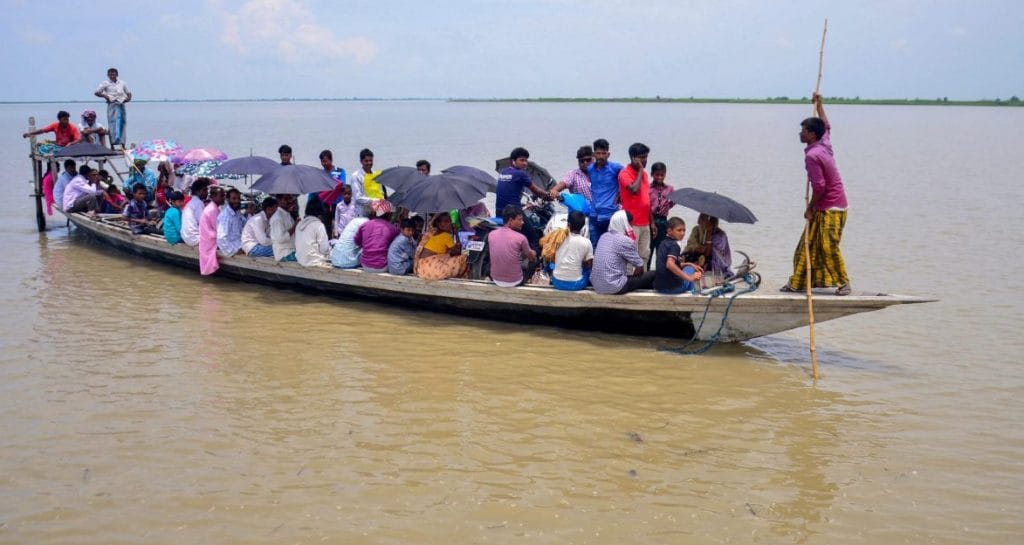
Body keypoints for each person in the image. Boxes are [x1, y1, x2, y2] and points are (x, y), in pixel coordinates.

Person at [782, 93, 851, 295]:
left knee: (828, 247)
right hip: (827, 205)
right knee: (806, 246)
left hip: (831, 208)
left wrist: (809, 208)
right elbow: (826, 125)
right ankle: (799, 283)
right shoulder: (824, 143)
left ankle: (843, 283)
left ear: (812, 134)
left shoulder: (813, 155)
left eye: (803, 131)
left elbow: (819, 187)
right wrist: (819, 104)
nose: (800, 134)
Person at [591, 210, 655, 295]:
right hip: (614, 286)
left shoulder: (603, 236)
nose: (632, 227)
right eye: (631, 224)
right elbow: (639, 266)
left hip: (597, 285)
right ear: (625, 224)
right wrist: (635, 279)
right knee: (653, 274)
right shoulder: (625, 240)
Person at [618, 142, 654, 265]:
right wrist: (640, 171)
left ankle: (641, 280)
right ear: (633, 158)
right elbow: (634, 189)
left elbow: (646, 199)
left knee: (644, 254)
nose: (645, 160)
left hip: (645, 222)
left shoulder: (644, 174)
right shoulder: (624, 174)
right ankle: (629, 280)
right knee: (630, 254)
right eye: (642, 157)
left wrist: (652, 222)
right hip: (632, 223)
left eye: (646, 157)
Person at [587, 138, 624, 247]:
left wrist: (620, 193)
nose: (601, 156)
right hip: (594, 215)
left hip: (610, 215)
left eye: (604, 153)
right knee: (595, 247)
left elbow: (628, 177)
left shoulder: (615, 168)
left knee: (611, 248)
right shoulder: (590, 169)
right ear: (594, 154)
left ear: (608, 154)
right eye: (598, 153)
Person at [488, 205, 536, 287]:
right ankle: (527, 280)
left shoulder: (491, 234)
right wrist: (533, 252)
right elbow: (531, 257)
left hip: (495, 279)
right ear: (510, 220)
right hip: (514, 282)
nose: (523, 222)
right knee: (535, 259)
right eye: (520, 220)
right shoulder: (521, 238)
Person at [654, 217, 703, 294]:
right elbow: (670, 264)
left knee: (689, 267)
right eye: (679, 230)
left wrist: (690, 264)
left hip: (659, 287)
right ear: (669, 231)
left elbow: (671, 263)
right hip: (673, 289)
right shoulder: (674, 245)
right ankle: (694, 293)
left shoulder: (663, 243)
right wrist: (690, 278)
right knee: (691, 271)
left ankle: (692, 291)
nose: (682, 233)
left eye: (684, 230)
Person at [495, 147, 551, 213]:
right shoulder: (520, 174)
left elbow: (509, 193)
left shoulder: (503, 171)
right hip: (513, 214)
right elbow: (537, 191)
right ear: (513, 161)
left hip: (499, 211)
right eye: (522, 160)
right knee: (533, 221)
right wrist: (549, 195)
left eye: (526, 160)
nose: (525, 163)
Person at [550, 211, 594, 291]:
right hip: (576, 284)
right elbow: (589, 266)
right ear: (583, 226)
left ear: (568, 224)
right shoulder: (587, 242)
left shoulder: (558, 238)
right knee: (587, 271)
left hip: (556, 282)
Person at [416, 213, 468, 280]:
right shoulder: (446, 236)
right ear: (438, 223)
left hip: (421, 269)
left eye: (449, 221)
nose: (449, 224)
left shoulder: (429, 233)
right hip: (433, 270)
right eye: (446, 221)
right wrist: (456, 233)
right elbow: (458, 252)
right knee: (464, 257)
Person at [354, 200, 399, 273]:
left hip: (365, 265)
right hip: (382, 266)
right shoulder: (393, 229)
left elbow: (357, 241)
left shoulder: (365, 225)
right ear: (389, 215)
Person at [683, 214, 733, 280]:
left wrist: (709, 235)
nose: (703, 223)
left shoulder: (720, 235)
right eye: (702, 220)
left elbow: (711, 253)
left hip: (714, 262)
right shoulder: (696, 229)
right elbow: (691, 246)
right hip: (695, 257)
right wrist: (701, 248)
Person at [94, 68, 131, 147]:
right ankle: (112, 145)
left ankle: (123, 144)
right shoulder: (105, 83)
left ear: (117, 75)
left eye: (113, 74)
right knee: (112, 124)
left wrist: (127, 99)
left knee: (122, 123)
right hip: (112, 104)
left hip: (121, 104)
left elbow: (129, 93)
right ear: (108, 75)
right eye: (110, 74)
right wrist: (105, 96)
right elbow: (97, 92)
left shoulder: (122, 83)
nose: (112, 76)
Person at [294, 198, 331, 267]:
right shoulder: (318, 225)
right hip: (314, 262)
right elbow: (324, 249)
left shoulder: (299, 224)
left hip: (300, 260)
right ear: (320, 212)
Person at [648, 162, 674, 260]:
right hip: (650, 220)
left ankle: (660, 273)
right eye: (657, 175)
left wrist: (665, 208)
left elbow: (673, 201)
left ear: (665, 174)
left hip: (663, 221)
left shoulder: (669, 189)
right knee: (649, 249)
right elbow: (646, 206)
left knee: (661, 249)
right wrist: (652, 222)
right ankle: (646, 273)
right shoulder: (648, 189)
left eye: (662, 175)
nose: (659, 177)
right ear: (652, 174)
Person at [350, 148, 385, 216]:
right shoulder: (356, 176)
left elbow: (380, 192)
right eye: (366, 161)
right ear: (361, 161)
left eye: (371, 160)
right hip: (362, 213)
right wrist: (375, 201)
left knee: (394, 208)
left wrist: (381, 202)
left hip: (376, 212)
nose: (369, 163)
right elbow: (358, 198)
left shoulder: (376, 174)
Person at [199, 187, 225, 275]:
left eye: (224, 195)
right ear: (213, 197)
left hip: (208, 237)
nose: (223, 198)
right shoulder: (213, 209)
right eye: (221, 196)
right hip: (210, 240)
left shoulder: (214, 207)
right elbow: (219, 229)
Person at [180, 178, 210, 247]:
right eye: (205, 190)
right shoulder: (198, 203)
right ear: (198, 192)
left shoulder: (191, 202)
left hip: (186, 237)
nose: (207, 192)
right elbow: (203, 223)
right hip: (194, 239)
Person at [216, 188, 246, 256]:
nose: (237, 201)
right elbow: (221, 238)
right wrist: (233, 251)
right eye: (234, 198)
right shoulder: (226, 216)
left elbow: (245, 224)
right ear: (228, 199)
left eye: (238, 198)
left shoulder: (237, 212)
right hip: (234, 249)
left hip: (240, 244)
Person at [269, 194, 298, 261]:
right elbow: (281, 238)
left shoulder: (287, 214)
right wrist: (294, 227)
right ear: (279, 201)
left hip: (292, 251)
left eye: (290, 198)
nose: (289, 201)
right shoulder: (277, 218)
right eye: (286, 199)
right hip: (284, 254)